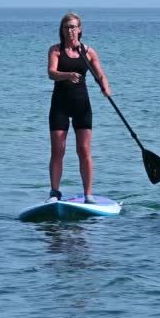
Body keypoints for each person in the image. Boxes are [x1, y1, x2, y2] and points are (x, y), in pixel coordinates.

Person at [46, 12, 111, 203]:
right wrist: (66, 75)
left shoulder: (88, 52)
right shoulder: (55, 50)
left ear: (79, 29)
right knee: (58, 150)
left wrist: (105, 87)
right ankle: (54, 193)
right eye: (67, 27)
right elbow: (51, 73)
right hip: (60, 106)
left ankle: (88, 195)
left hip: (82, 106)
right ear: (62, 30)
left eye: (73, 27)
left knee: (84, 151)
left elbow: (100, 75)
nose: (70, 30)